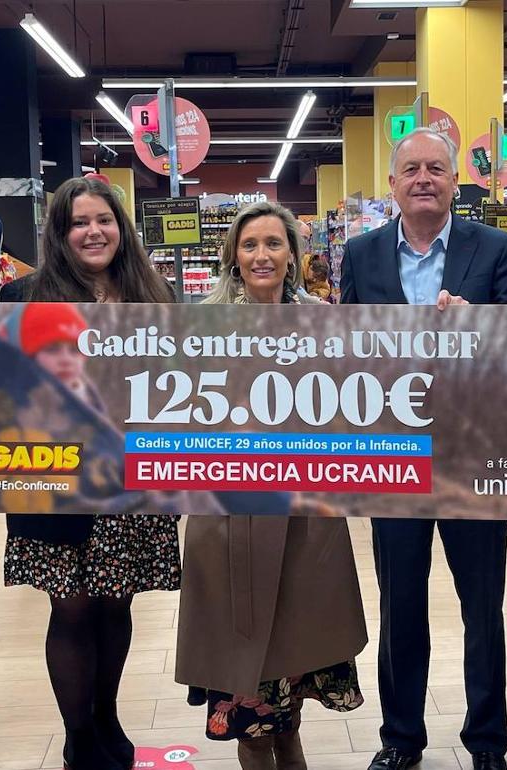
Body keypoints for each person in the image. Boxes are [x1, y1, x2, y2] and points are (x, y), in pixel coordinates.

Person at [341, 127, 507, 770]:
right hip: (392, 456)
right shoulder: (362, 255)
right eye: (411, 170)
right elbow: (342, 349)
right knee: (400, 605)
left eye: (436, 169)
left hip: (476, 455)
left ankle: (487, 742)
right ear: (393, 185)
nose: (424, 179)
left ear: (457, 181)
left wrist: (477, 322)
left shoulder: (498, 248)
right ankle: (401, 738)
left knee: (483, 606)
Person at [176, 201, 367, 770]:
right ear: (233, 254)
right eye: (250, 244)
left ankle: (288, 743)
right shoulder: (201, 325)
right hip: (230, 518)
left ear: (292, 253)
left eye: (274, 244)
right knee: (249, 701)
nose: (262, 255)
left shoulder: (323, 323)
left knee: (294, 673)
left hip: (305, 518)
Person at [0, 176, 178, 770]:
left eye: (104, 219)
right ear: (61, 233)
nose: (93, 231)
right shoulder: (26, 296)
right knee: (71, 606)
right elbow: (3, 394)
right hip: (56, 478)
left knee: (117, 604)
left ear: (121, 228)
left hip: (131, 478)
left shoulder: (154, 297)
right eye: (79, 222)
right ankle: (78, 736)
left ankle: (106, 714)